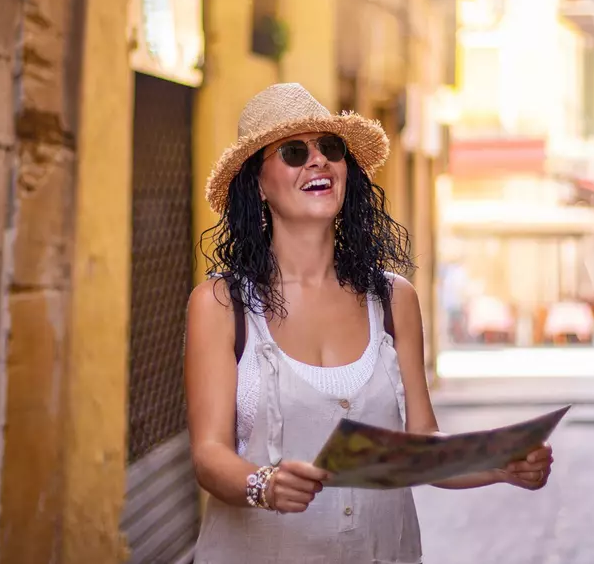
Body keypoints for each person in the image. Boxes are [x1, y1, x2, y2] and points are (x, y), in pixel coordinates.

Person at [185, 83, 554, 563]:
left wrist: (498, 462)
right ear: (257, 183)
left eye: (330, 148)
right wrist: (264, 484)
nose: (318, 161)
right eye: (294, 152)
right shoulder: (220, 304)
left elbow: (419, 443)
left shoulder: (393, 299)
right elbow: (208, 454)